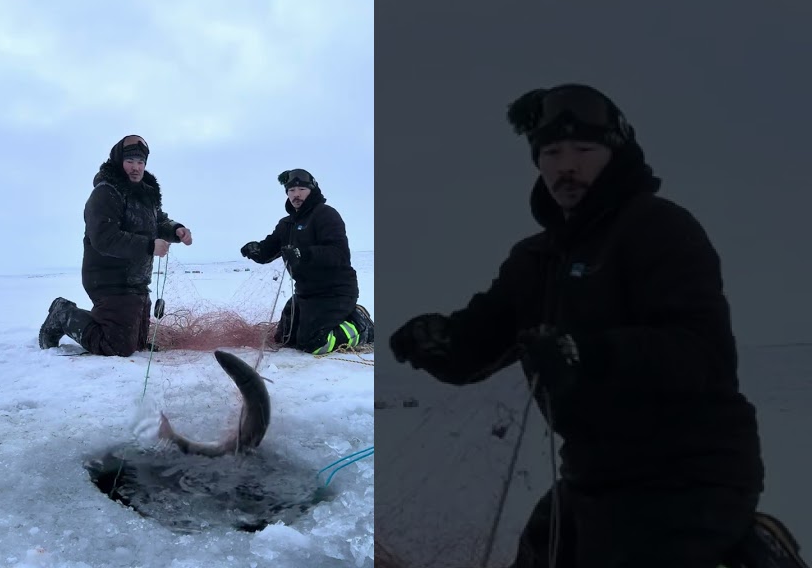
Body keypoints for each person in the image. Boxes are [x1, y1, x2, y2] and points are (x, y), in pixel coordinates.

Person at [387, 83, 765, 567]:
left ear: (615, 152)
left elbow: (701, 353)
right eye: (551, 152)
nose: (567, 165)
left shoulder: (661, 228)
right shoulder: (535, 259)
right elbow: (477, 345)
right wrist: (436, 341)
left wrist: (588, 353)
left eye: (584, 149)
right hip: (592, 475)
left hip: (693, 476)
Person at [38, 135, 191, 357]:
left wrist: (176, 230)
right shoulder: (106, 192)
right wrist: (149, 246)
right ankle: (62, 314)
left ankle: (106, 324)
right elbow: (104, 238)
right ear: (119, 161)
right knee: (117, 347)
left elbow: (158, 221)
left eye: (140, 162)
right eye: (130, 162)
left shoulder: (146, 194)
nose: (136, 168)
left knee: (137, 344)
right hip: (108, 279)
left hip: (136, 281)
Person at [239, 169, 374, 356]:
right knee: (285, 338)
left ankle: (361, 325)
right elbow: (268, 251)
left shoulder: (326, 214)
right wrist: (255, 250)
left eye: (301, 189)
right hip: (306, 293)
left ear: (312, 189)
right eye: (291, 191)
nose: (296, 195)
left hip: (336, 292)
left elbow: (339, 254)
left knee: (315, 343)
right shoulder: (286, 224)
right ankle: (333, 319)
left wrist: (303, 254)